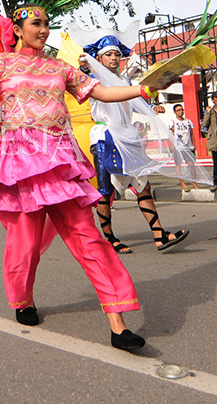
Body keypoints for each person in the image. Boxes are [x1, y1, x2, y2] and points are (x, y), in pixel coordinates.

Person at [0, 4, 158, 352]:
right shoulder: (1, 63)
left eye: (47, 23)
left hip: (60, 160)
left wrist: (142, 90)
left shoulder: (59, 67)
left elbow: (103, 92)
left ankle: (118, 324)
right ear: (18, 29)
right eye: (37, 23)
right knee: (26, 243)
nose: (44, 29)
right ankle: (22, 299)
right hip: (20, 162)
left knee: (88, 237)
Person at [76, 32, 191, 254]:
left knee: (143, 186)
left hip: (128, 137)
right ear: (99, 58)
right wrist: (84, 65)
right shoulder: (93, 79)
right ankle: (108, 239)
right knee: (105, 192)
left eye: (117, 55)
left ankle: (160, 234)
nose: (113, 58)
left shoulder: (125, 81)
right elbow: (82, 75)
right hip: (105, 138)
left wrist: (151, 109)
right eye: (108, 54)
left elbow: (134, 103)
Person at [170, 104, 198, 190]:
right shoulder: (173, 121)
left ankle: (194, 183)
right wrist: (172, 146)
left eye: (181, 109)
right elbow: (170, 134)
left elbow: (192, 134)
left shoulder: (188, 121)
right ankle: (182, 183)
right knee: (178, 165)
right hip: (178, 147)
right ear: (175, 112)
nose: (180, 111)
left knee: (191, 165)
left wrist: (194, 145)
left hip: (188, 146)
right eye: (178, 110)